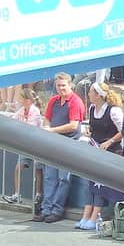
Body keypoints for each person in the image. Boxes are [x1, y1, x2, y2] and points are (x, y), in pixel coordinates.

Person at [34, 73, 86, 222]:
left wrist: (51, 130)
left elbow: (73, 125)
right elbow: (47, 119)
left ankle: (57, 210)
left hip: (68, 144)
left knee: (64, 179)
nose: (61, 88)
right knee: (50, 177)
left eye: (63, 85)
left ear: (70, 85)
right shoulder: (53, 101)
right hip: (53, 143)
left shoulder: (75, 102)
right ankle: (46, 209)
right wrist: (47, 128)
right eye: (58, 85)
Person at [73, 83, 124, 228]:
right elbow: (93, 127)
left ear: (98, 95)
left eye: (90, 92)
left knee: (100, 185)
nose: (88, 95)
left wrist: (110, 141)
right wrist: (88, 132)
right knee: (90, 183)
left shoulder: (113, 111)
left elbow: (123, 131)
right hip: (94, 149)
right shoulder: (91, 108)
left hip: (110, 152)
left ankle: (95, 217)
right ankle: (86, 215)